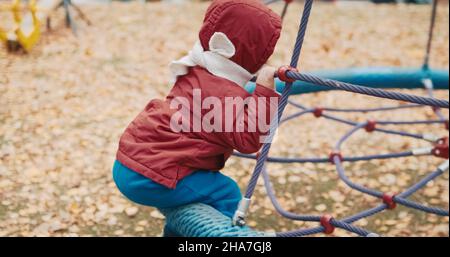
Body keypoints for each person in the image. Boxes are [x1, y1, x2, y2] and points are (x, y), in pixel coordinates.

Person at [113, 0, 282, 220]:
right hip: (152, 176)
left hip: (130, 163)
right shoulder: (223, 91)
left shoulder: (195, 70)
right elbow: (249, 140)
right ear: (250, 54)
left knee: (201, 189)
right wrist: (265, 89)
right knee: (227, 193)